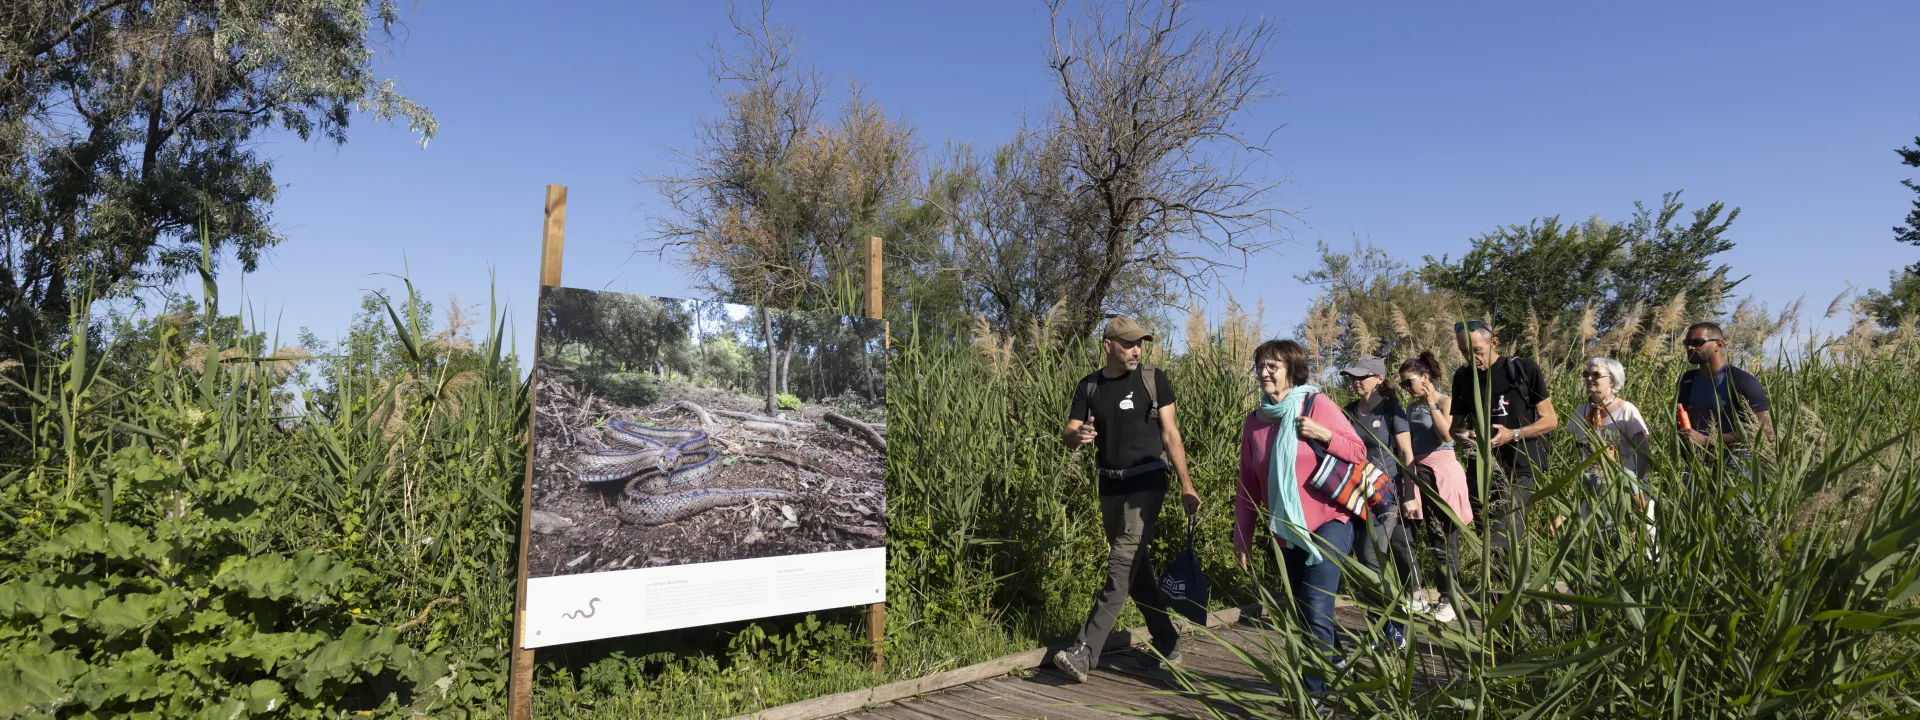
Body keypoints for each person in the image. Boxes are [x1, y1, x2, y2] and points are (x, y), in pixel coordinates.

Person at [1052, 317, 1202, 683]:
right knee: (1136, 571)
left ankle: (1085, 651)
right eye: (1129, 343)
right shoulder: (1090, 386)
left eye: (1140, 343)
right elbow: (1068, 432)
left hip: (1147, 483)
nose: (1137, 349)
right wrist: (1080, 435)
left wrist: (1186, 483)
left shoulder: (1154, 380)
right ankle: (1167, 641)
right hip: (1110, 487)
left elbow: (1171, 433)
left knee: (1120, 564)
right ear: (1108, 345)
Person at [1233, 339, 1370, 698]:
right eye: (1260, 365)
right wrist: (1242, 537)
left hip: (1330, 520)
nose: (1264, 371)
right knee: (1305, 611)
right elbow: (1249, 484)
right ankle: (1339, 666)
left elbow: (1358, 450)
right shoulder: (1255, 422)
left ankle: (1315, 697)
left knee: (1316, 606)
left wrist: (1322, 433)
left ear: (1291, 371)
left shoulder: (1315, 404)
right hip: (1287, 530)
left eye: (1272, 366)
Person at [1450, 320, 1558, 561]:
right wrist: (1467, 435)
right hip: (1482, 470)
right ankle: (1503, 596)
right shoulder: (1463, 378)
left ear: (1494, 343)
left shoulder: (1522, 369)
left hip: (1522, 467)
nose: (1470, 357)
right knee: (1487, 540)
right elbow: (1454, 430)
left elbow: (1550, 420)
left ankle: (1507, 593)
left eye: (1476, 350)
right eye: (1464, 351)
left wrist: (1513, 434)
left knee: (1503, 534)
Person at [1340, 357, 1419, 648]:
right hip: (1355, 496)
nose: (1356, 381)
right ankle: (1381, 627)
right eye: (1352, 376)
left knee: (1372, 559)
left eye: (1362, 376)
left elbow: (1407, 456)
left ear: (1379, 378)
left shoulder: (1391, 410)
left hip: (1386, 497)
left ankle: (1392, 629)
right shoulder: (1347, 413)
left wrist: (1410, 495)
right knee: (1365, 561)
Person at [1398, 351, 1472, 625]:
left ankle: (1449, 598)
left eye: (1410, 382)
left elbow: (1446, 435)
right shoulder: (1410, 407)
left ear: (1425, 378)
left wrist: (1431, 403)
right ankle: (1423, 593)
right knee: (1423, 536)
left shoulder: (1444, 400)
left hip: (1442, 469)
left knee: (1444, 537)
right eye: (1403, 384)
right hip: (1418, 471)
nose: (1407, 389)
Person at [1565, 357, 1652, 532]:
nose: (1589, 378)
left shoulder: (1626, 410)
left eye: (1596, 374)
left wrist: (1638, 488)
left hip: (1624, 490)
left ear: (1611, 380)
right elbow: (1580, 454)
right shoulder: (1581, 412)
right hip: (1590, 488)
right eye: (1586, 374)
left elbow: (1643, 452)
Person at [1676, 322, 1773, 477]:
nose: (1690, 348)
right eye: (1687, 343)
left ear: (1719, 345)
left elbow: (1765, 432)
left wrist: (1706, 440)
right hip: (1696, 466)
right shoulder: (1688, 380)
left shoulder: (1742, 381)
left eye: (1697, 343)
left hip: (1736, 467)